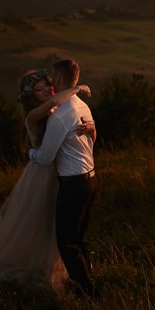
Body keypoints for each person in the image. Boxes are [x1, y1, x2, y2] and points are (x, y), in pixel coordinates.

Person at [0, 69, 94, 289]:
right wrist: (75, 88)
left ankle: (55, 266)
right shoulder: (35, 114)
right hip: (41, 174)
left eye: (47, 85)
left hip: (60, 172)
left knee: (55, 224)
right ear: (30, 96)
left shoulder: (58, 109)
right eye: (38, 89)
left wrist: (91, 127)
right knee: (35, 220)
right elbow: (53, 105)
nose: (46, 91)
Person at [29, 59, 97, 297]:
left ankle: (88, 293)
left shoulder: (60, 116)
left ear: (58, 81)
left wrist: (30, 153)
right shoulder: (82, 107)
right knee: (79, 238)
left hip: (73, 183)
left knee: (67, 243)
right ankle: (88, 280)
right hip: (90, 180)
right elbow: (91, 140)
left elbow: (46, 157)